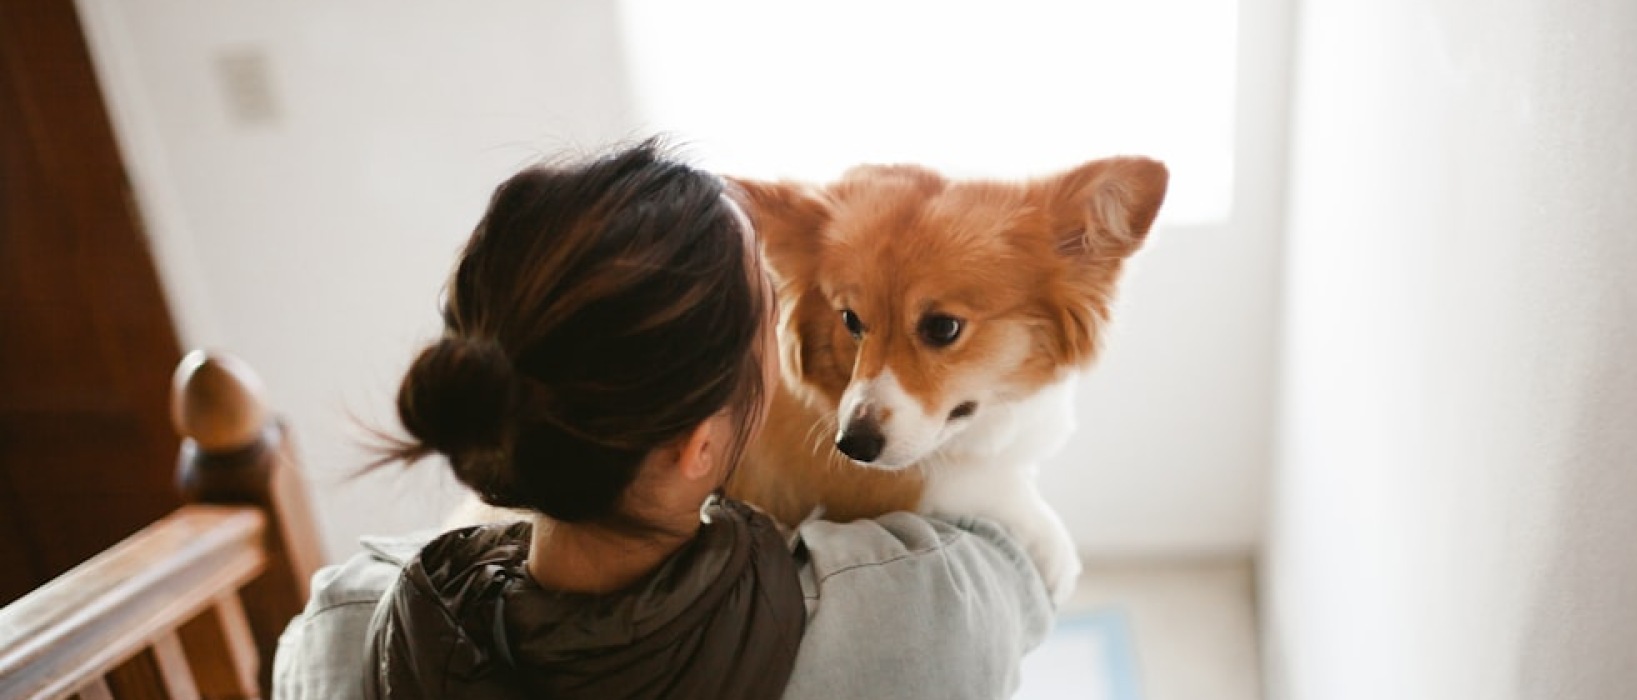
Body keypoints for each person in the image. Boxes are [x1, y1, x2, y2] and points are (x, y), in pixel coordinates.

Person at [271, 140, 1052, 699]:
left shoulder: (338, 629)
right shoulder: (922, 606)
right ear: (700, 447)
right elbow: (1026, 565)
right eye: (768, 324)